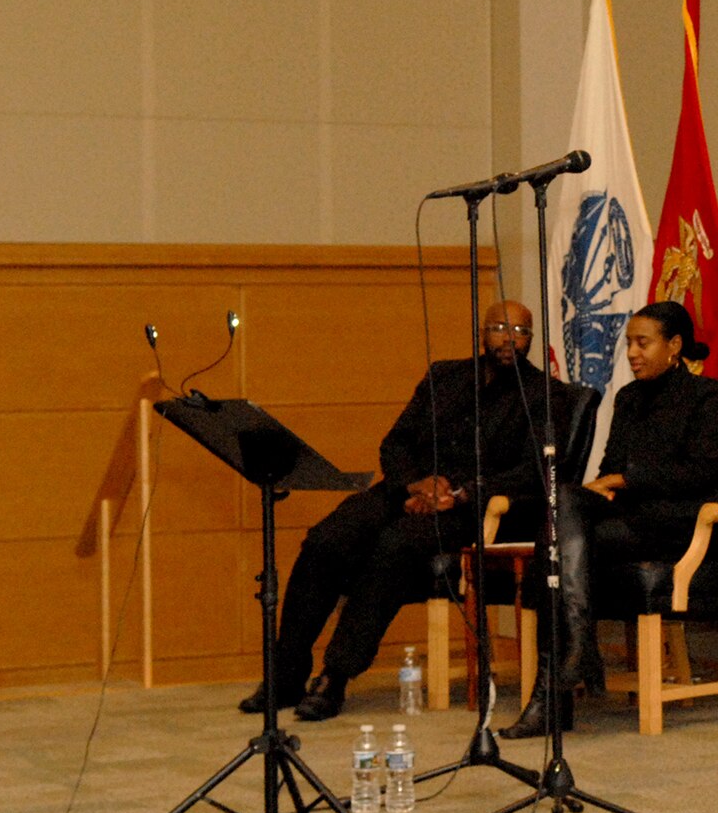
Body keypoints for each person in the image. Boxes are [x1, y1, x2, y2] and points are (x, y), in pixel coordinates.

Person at [237, 299, 555, 722]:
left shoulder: (543, 394)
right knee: (326, 539)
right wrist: (412, 485)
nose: (509, 339)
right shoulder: (445, 376)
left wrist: (458, 493)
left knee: (395, 546)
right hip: (406, 490)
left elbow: (531, 472)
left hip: (468, 508)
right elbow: (396, 441)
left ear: (531, 340)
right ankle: (287, 673)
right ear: (482, 332)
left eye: (521, 332)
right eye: (500, 327)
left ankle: (335, 676)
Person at [500, 300, 718, 738]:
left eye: (643, 343)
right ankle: (574, 656)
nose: (632, 353)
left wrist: (626, 478)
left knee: (553, 551)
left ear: (674, 345)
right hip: (624, 518)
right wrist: (603, 485)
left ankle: (554, 697)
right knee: (563, 509)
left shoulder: (707, 397)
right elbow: (608, 467)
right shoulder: (627, 398)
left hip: (673, 524)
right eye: (628, 343)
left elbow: (702, 474)